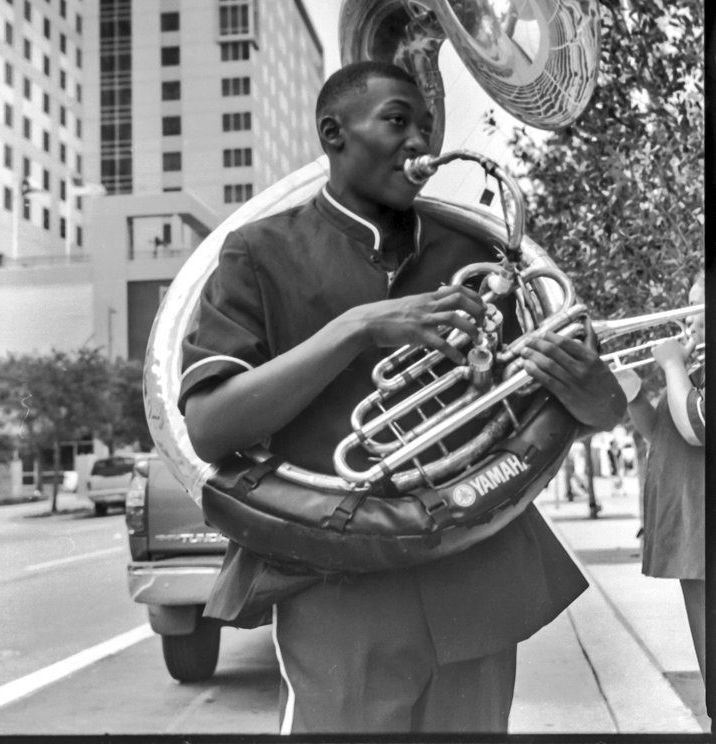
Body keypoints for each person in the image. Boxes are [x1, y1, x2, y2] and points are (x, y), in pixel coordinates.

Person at [179, 62, 626, 734]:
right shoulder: (257, 252)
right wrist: (356, 329)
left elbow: (565, 411)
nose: (421, 142)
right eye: (397, 120)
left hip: (476, 569)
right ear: (334, 132)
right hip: (338, 582)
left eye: (427, 126)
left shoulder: (481, 252)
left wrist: (597, 398)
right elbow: (210, 426)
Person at [623, 270, 705, 682]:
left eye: (696, 310)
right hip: (692, 534)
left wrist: (673, 364)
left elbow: (695, 426)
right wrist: (635, 394)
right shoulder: (698, 371)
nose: (686, 321)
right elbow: (661, 432)